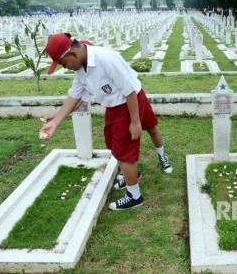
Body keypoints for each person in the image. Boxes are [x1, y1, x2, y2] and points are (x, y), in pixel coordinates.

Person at [39, 33, 172, 211]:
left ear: (73, 54)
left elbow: (130, 91)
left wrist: (134, 121)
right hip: (114, 106)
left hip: (130, 102)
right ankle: (131, 174)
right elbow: (75, 96)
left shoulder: (106, 59)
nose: (66, 68)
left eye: (64, 64)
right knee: (114, 144)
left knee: (128, 147)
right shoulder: (80, 69)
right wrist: (55, 121)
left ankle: (135, 196)